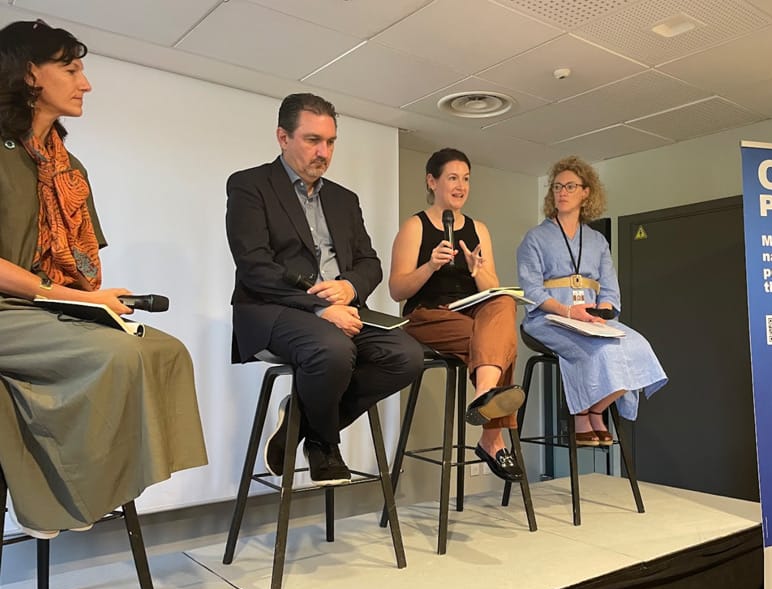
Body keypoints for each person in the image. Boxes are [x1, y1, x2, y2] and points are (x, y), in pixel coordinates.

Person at [0, 20, 208, 539]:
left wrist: (95, 300)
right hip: (9, 309)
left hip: (45, 308)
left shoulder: (70, 169)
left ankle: (79, 488)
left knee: (165, 350)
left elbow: (81, 267)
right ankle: (52, 495)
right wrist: (73, 298)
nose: (85, 83)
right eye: (71, 70)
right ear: (30, 73)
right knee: (119, 354)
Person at [226, 93, 423, 486]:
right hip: (274, 310)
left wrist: (349, 286)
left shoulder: (344, 199)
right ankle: (324, 445)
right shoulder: (250, 185)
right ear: (283, 137)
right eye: (313, 140)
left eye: (331, 142)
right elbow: (254, 266)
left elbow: (370, 263)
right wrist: (319, 307)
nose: (324, 152)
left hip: (342, 308)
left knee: (407, 357)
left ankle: (303, 421)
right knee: (333, 349)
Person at [389, 147, 526, 482]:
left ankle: (483, 395)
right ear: (432, 181)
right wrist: (430, 266)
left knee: (504, 303)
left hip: (470, 313)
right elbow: (397, 289)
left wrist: (478, 270)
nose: (461, 186)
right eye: (453, 178)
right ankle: (492, 438)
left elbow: (491, 289)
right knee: (500, 344)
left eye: (466, 179)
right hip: (428, 315)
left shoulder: (479, 229)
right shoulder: (415, 226)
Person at [516, 156, 667, 445]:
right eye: (557, 186)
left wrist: (603, 312)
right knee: (599, 351)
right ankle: (581, 416)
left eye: (570, 186)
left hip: (590, 319)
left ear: (586, 192)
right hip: (548, 318)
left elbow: (609, 290)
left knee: (638, 347)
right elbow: (531, 290)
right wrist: (568, 312)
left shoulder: (597, 241)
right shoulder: (535, 238)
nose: (562, 192)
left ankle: (597, 409)